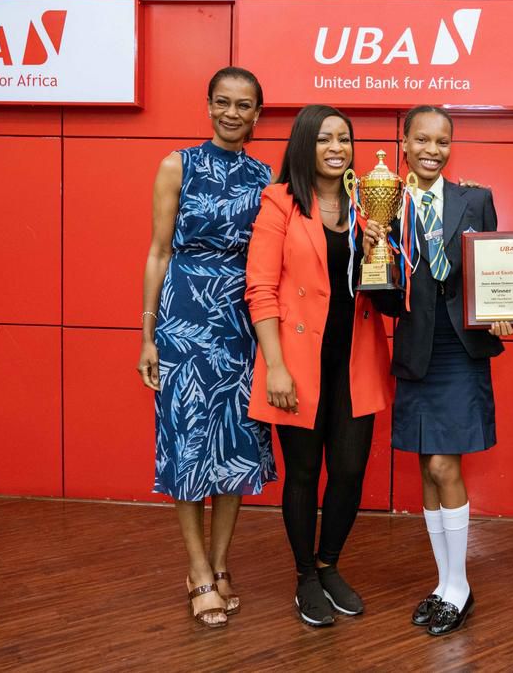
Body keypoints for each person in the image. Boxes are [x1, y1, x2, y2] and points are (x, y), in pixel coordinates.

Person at [138, 66, 277, 629]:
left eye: (244, 106)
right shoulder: (177, 165)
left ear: (257, 114)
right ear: (208, 105)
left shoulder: (266, 177)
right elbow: (157, 252)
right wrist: (147, 334)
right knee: (188, 444)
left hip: (242, 324)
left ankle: (220, 565)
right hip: (183, 323)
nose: (232, 114)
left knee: (235, 446)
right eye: (223, 102)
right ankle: (196, 570)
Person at [364, 105, 511, 636]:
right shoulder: (382, 201)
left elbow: (494, 272)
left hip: (461, 351)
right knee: (429, 468)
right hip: (416, 351)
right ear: (403, 144)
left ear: (452, 145)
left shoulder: (476, 198)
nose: (432, 149)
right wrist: (373, 256)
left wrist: (500, 313)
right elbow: (384, 303)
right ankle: (444, 584)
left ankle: (461, 585)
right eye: (421, 139)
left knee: (447, 467)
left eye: (442, 141)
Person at [245, 105, 393, 627]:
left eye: (345, 139)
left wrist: (384, 250)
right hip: (298, 363)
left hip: (356, 360)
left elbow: (389, 284)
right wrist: (276, 366)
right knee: (304, 474)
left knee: (350, 471)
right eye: (325, 138)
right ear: (305, 145)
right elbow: (260, 289)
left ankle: (330, 564)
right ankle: (305, 575)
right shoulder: (280, 201)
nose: (337, 147)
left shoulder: (370, 202)